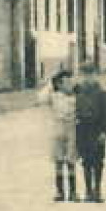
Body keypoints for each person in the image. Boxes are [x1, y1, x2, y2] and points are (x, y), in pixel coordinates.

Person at [73, 64, 106, 203]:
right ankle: (88, 190)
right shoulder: (78, 92)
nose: (88, 78)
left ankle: (97, 189)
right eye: (85, 74)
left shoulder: (103, 93)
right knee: (86, 161)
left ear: (96, 75)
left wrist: (104, 132)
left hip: (97, 130)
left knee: (98, 161)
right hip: (83, 130)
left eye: (90, 74)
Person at [40, 69, 79, 202]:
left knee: (71, 160)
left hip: (72, 129)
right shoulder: (54, 96)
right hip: (58, 130)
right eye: (65, 82)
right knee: (58, 161)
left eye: (70, 82)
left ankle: (73, 192)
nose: (69, 85)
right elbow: (41, 98)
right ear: (60, 84)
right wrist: (50, 84)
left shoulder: (76, 96)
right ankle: (60, 192)